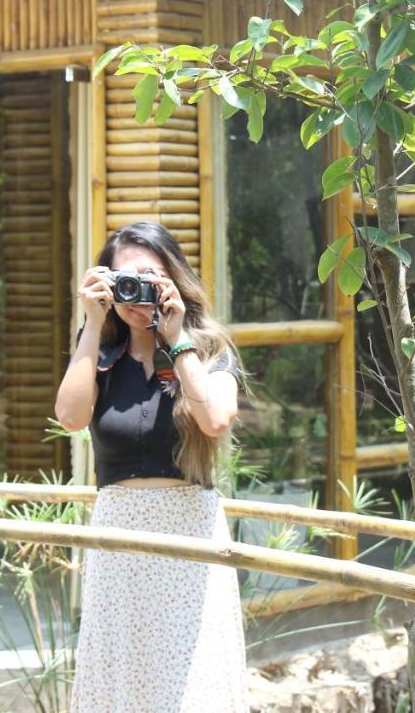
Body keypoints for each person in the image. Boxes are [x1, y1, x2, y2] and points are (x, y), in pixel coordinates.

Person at [54, 221, 247, 712]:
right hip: (118, 536)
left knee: (191, 682)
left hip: (191, 535)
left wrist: (177, 339)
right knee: (124, 680)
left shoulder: (208, 350)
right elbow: (70, 417)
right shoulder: (100, 353)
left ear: (174, 279)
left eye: (151, 277)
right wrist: (92, 324)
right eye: (124, 282)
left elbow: (215, 420)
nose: (139, 293)